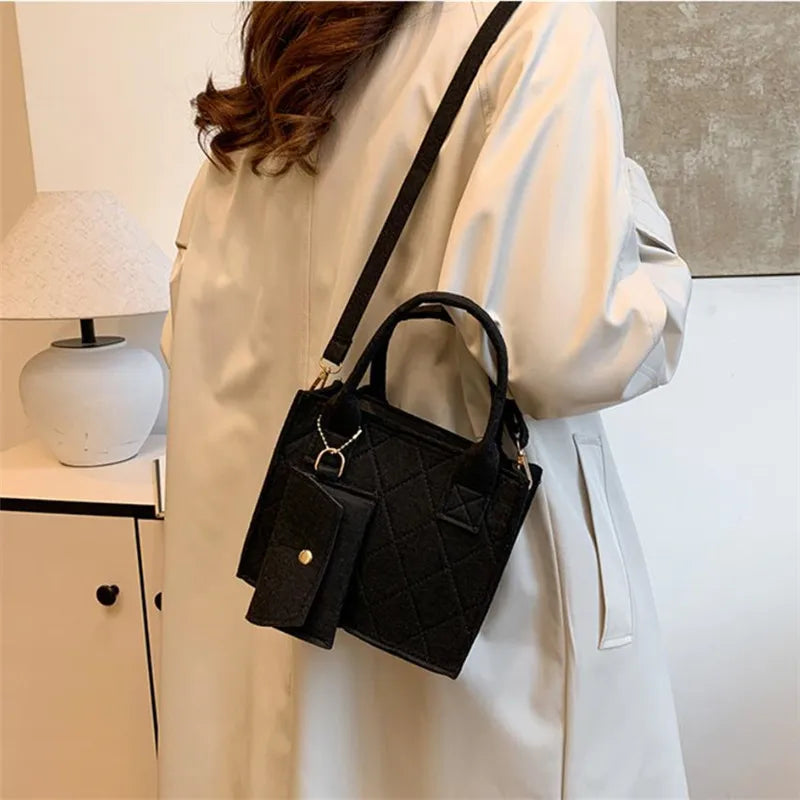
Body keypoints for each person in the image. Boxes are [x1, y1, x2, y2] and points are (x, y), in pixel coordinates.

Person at [158, 2, 693, 797]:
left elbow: (192, 333)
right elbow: (563, 347)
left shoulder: (292, 48)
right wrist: (643, 226)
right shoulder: (531, 26)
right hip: (462, 615)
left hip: (277, 587)